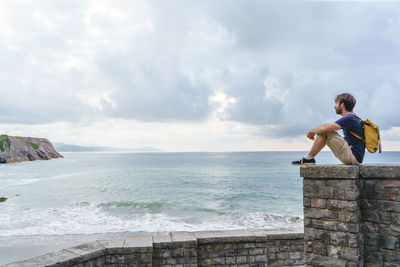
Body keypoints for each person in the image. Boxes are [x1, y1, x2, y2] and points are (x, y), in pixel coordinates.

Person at [292, 93, 365, 165]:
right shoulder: (353, 118)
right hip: (354, 156)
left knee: (325, 131)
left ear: (342, 105)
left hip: (352, 156)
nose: (334, 106)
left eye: (336, 103)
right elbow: (326, 127)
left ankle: (308, 158)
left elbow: (324, 129)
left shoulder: (349, 118)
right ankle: (309, 158)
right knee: (326, 128)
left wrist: (311, 131)